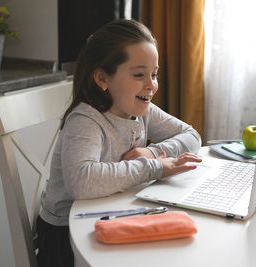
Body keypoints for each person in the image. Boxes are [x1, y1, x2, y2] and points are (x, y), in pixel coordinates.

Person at [36, 19, 202, 267]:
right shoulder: (86, 120)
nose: (152, 85)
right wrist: (155, 167)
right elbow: (82, 182)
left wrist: (150, 151)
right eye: (139, 75)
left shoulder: (141, 108)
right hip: (67, 235)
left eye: (154, 74)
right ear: (103, 78)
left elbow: (192, 136)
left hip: (113, 212)